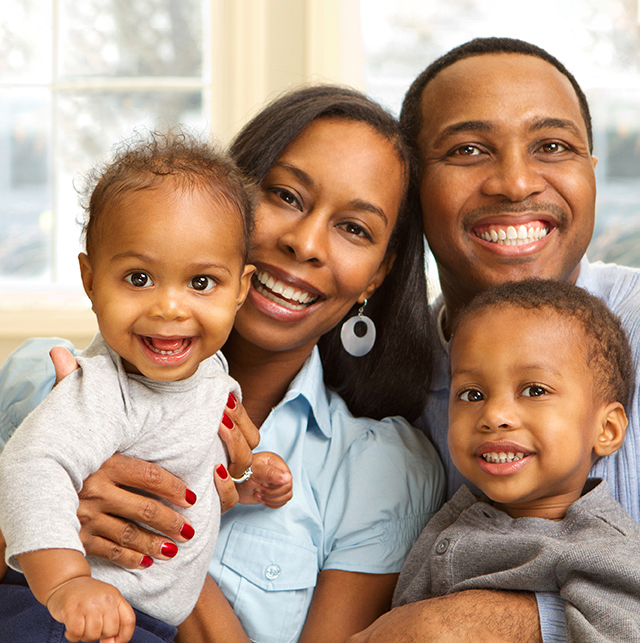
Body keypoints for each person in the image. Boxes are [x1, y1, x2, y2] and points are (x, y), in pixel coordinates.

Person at [0, 86, 445, 642]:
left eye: (354, 228)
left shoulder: (381, 471)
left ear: (377, 276)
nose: (306, 243)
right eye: (285, 195)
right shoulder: (42, 379)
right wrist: (55, 533)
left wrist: (165, 531)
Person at [347, 37, 640, 643]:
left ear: (590, 171)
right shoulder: (376, 386)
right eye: (469, 149)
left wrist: (513, 623)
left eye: (553, 146)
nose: (513, 182)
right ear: (412, 191)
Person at [0, 131, 296, 643]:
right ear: (91, 281)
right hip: (64, 614)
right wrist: (67, 583)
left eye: (201, 283)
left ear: (241, 288)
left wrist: (246, 483)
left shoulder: (211, 375)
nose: (169, 308)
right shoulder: (102, 389)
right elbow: (32, 466)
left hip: (146, 619)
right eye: (138, 278)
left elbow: (191, 480)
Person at [393, 279, 640, 642]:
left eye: (534, 390)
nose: (494, 415)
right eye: (472, 393)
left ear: (606, 430)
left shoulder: (604, 550)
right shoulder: (450, 519)